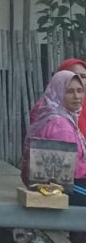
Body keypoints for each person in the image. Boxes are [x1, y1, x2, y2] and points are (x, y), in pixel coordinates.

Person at [21, 70, 86, 203]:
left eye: (80, 91)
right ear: (59, 92)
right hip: (62, 188)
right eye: (69, 91)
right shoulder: (60, 125)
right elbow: (69, 168)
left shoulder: (61, 117)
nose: (77, 96)